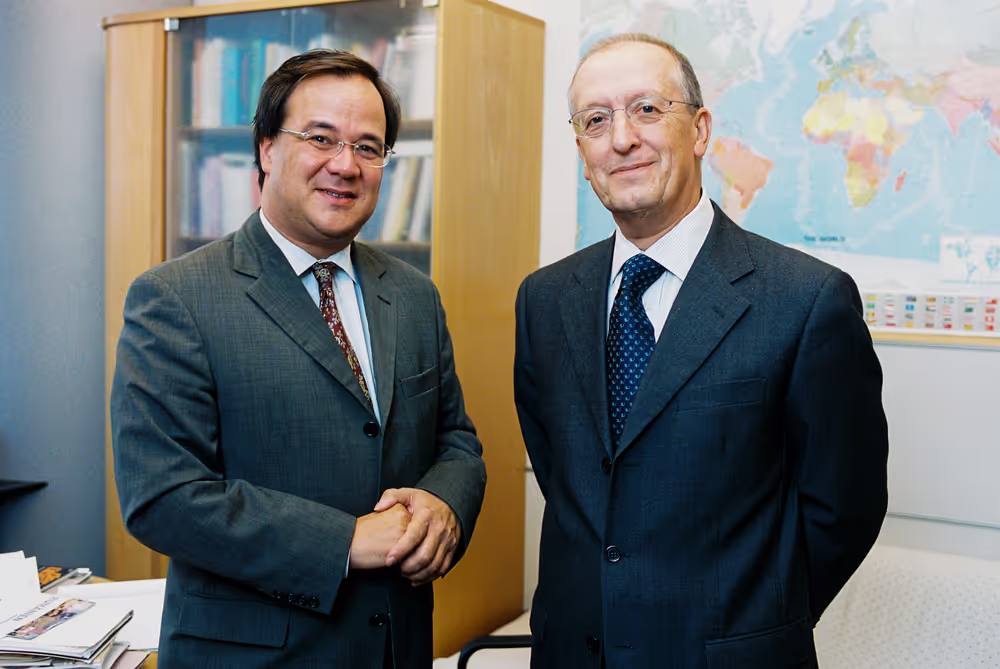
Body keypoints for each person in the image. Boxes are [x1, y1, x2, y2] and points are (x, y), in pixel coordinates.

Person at [514, 34, 888, 669]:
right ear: (582, 151)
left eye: (648, 109)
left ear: (701, 130)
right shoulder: (544, 300)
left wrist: (758, 618)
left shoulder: (807, 299)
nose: (622, 139)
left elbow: (843, 507)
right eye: (596, 121)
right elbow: (569, 478)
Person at [111, 50, 486, 669]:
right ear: (265, 149)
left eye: (369, 147)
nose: (346, 165)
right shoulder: (176, 297)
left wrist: (445, 506)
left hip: (398, 646)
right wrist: (345, 541)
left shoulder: (413, 294)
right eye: (320, 138)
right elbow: (163, 496)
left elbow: (456, 442)